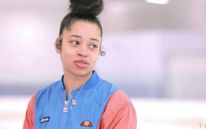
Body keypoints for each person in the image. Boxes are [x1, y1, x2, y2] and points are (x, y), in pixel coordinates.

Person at [23, 0, 137, 129]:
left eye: (93, 45)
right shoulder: (39, 101)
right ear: (58, 44)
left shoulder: (115, 102)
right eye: (75, 42)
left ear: (99, 51)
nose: (83, 52)